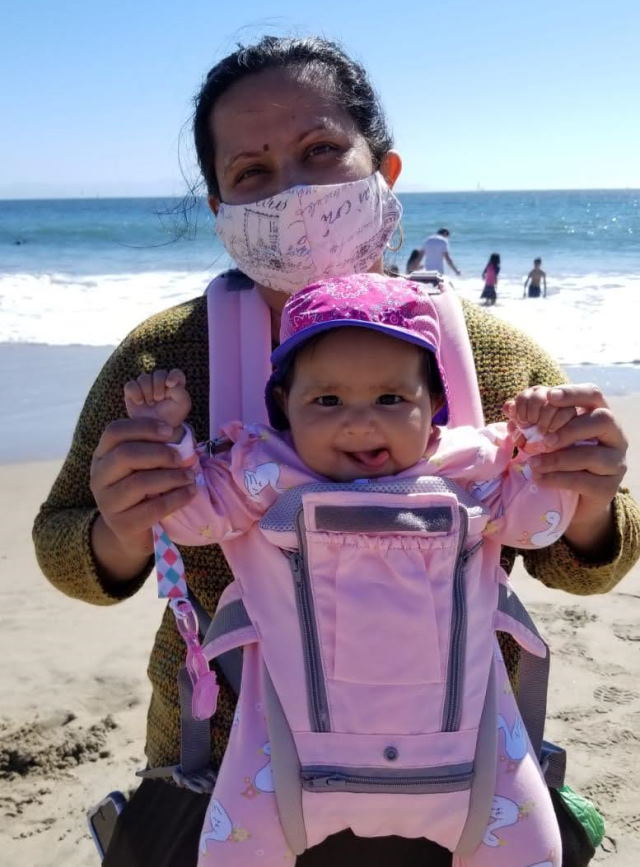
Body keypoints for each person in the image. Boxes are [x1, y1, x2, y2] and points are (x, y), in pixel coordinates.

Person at [32, 34, 638, 867]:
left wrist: (594, 501)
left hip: (459, 775)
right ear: (220, 210)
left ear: (383, 172)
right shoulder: (166, 356)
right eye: (251, 172)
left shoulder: (492, 354)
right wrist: (119, 528)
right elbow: (65, 550)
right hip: (226, 781)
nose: (294, 190)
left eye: (322, 151)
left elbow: (586, 565)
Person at [124, 273, 579, 866]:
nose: (360, 423)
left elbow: (535, 526)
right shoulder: (263, 469)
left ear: (434, 404)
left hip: (475, 762)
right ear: (284, 405)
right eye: (327, 401)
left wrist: (545, 448)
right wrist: (170, 443)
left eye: (391, 399)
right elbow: (193, 521)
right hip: (286, 761)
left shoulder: (470, 466)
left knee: (536, 853)